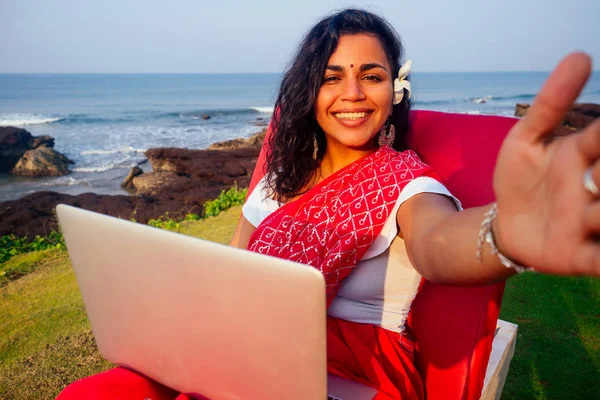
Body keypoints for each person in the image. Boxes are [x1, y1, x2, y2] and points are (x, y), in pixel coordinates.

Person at [58, 8, 599, 400]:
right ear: (309, 92)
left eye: (372, 76)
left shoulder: (408, 182)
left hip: (358, 372)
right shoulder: (279, 176)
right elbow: (234, 271)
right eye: (332, 77)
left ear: (395, 91)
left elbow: (438, 243)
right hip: (248, 346)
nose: (353, 93)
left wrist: (503, 233)